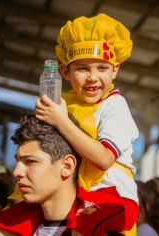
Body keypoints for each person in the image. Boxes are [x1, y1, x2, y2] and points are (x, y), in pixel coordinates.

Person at [35, 13, 139, 235]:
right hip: (73, 197)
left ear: (115, 69)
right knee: (9, 221)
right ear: (65, 72)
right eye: (82, 68)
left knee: (82, 224)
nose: (92, 77)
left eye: (102, 68)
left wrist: (61, 122)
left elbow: (103, 158)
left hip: (110, 199)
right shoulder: (64, 103)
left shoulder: (115, 106)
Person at [0, 114, 81, 235]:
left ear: (67, 166)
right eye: (18, 161)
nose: (17, 172)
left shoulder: (103, 228)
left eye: (30, 161)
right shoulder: (6, 228)